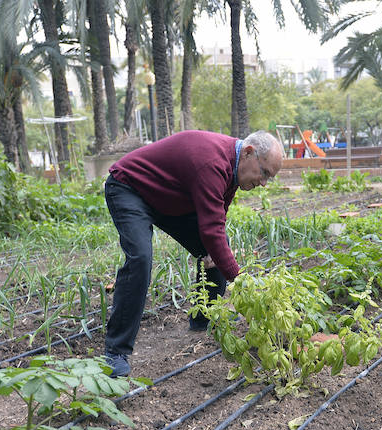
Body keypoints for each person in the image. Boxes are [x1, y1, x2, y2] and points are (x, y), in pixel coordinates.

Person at [102, 129, 284, 377]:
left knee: (218, 247)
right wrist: (241, 282)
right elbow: (210, 229)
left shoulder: (233, 165)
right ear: (250, 153)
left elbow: (218, 215)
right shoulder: (212, 162)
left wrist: (212, 248)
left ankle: (204, 318)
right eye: (264, 173)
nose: (263, 183)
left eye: (269, 178)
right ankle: (115, 352)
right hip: (129, 188)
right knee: (140, 259)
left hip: (167, 197)